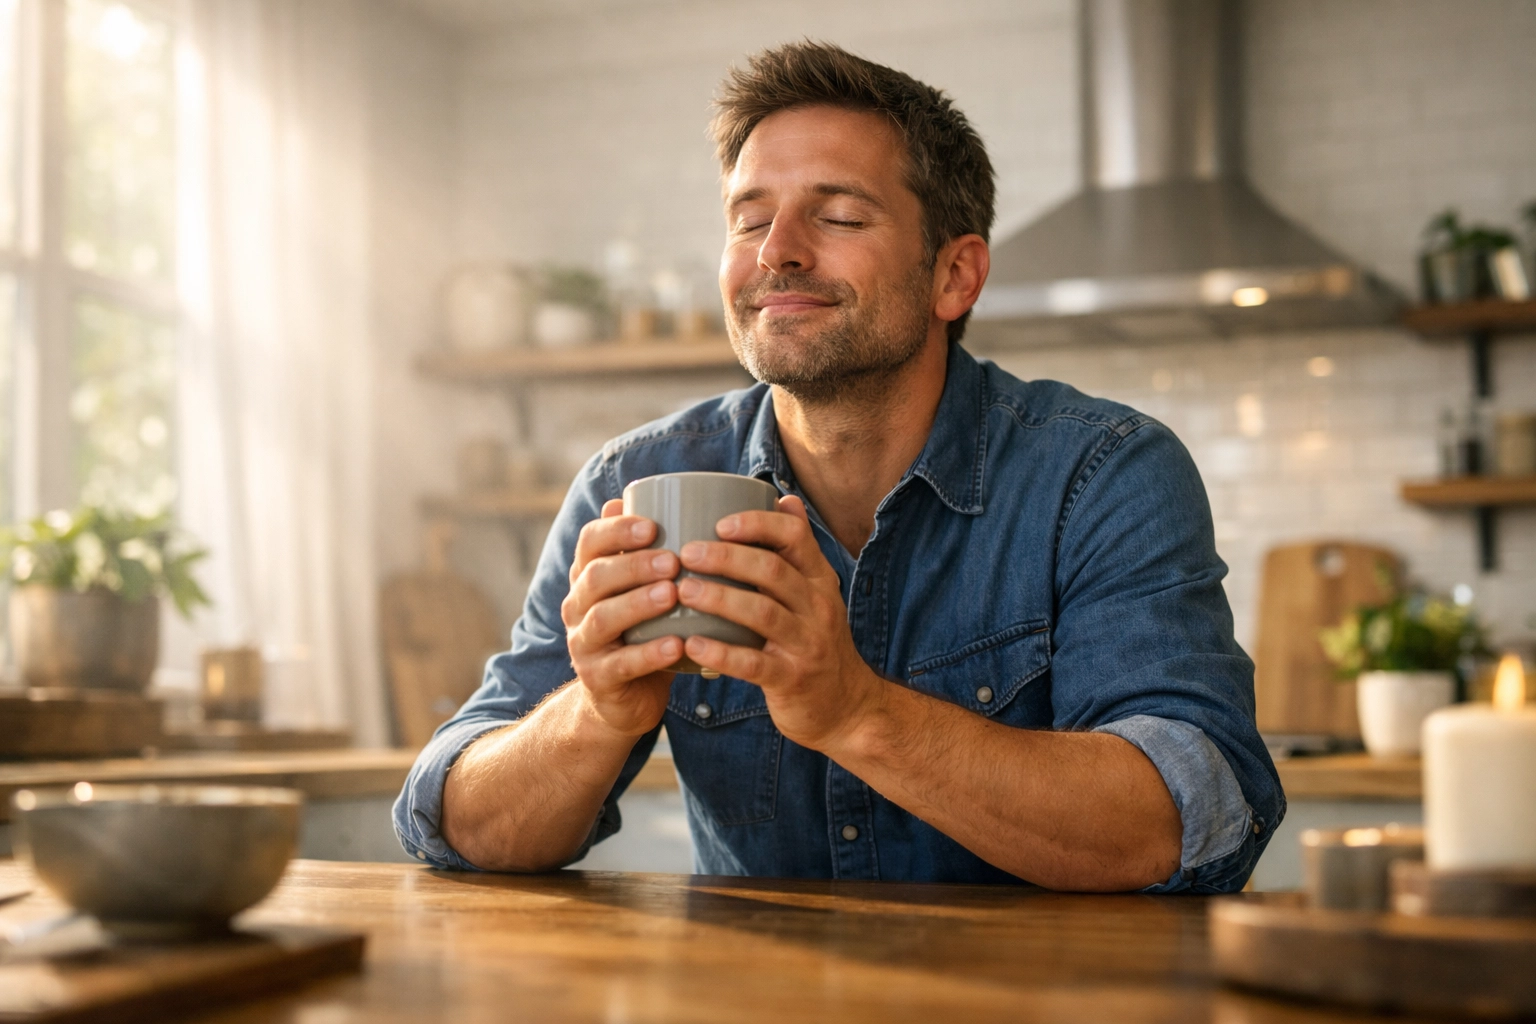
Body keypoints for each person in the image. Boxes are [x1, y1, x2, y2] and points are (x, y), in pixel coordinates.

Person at [394, 41, 1284, 892]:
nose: (777, 249)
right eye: (749, 219)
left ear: (955, 276)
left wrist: (857, 713)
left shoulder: (1101, 475)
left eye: (840, 216)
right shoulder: (636, 484)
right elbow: (455, 820)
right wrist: (596, 714)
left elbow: (1187, 814)